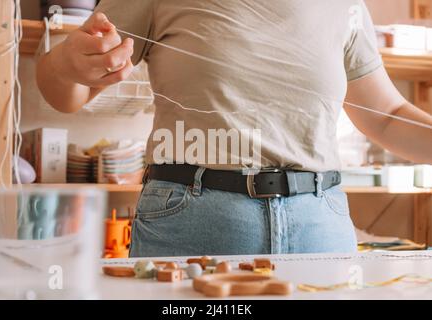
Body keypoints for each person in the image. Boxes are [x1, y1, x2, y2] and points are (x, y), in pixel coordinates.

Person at [37, 0, 432, 257]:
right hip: (194, 222)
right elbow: (67, 93)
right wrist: (62, 65)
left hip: (320, 227)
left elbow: (384, 112)